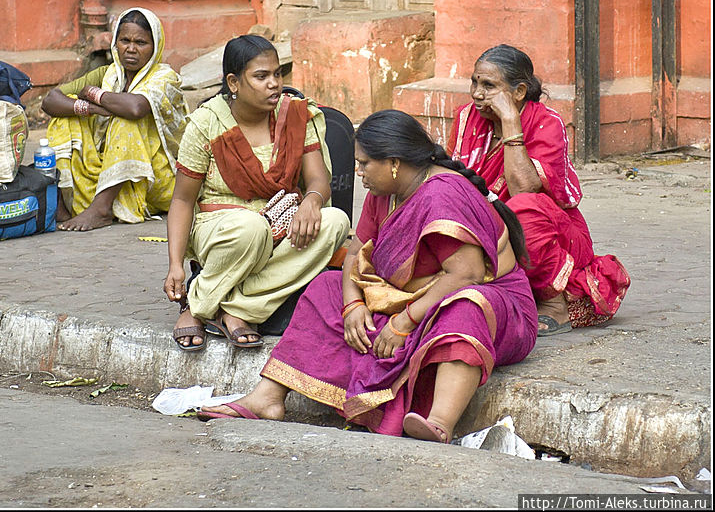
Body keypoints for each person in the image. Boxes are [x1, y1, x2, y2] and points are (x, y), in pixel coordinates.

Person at [199, 109, 537, 443]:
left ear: (393, 162)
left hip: (490, 303)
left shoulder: (441, 194)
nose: (359, 172)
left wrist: (403, 322)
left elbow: (467, 275)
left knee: (465, 306)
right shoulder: (386, 192)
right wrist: (352, 305)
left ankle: (439, 422)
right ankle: (267, 397)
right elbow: (357, 254)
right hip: (410, 298)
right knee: (326, 286)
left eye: (364, 164)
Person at [163, 35, 351, 352]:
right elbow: (182, 200)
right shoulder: (207, 123)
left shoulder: (295, 115)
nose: (274, 84)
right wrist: (176, 265)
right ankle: (196, 306)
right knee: (252, 227)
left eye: (277, 74)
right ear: (234, 82)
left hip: (281, 223)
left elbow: (318, 179)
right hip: (224, 229)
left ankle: (232, 310)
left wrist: (312, 201)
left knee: (334, 221)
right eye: (261, 76)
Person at [447, 44, 630, 336]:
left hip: (550, 233)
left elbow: (523, 189)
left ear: (518, 92)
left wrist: (510, 123)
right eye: (475, 82)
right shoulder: (468, 118)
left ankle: (555, 303)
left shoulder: (546, 122)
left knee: (522, 210)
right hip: (490, 225)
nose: (477, 94)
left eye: (489, 85)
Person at [41, 7, 189, 230]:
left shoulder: (165, 77)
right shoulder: (109, 73)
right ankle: (64, 203)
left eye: (141, 43)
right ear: (115, 43)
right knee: (65, 118)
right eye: (125, 41)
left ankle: (102, 209)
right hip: (107, 170)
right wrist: (90, 108)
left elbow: (136, 107)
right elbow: (51, 100)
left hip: (157, 179)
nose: (130, 49)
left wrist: (95, 94)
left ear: (155, 47)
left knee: (125, 120)